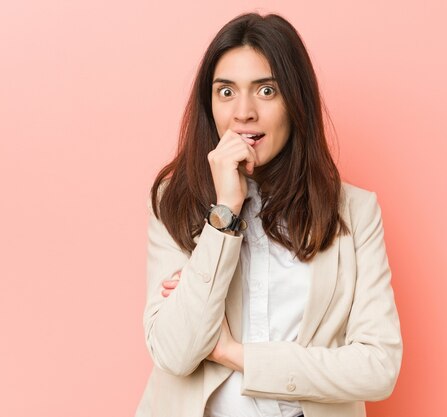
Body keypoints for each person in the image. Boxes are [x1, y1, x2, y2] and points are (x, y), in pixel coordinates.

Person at [135, 12, 402, 417]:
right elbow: (174, 353)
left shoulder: (355, 212)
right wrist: (224, 213)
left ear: (296, 102)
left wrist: (235, 355)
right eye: (226, 92)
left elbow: (378, 367)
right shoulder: (174, 200)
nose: (243, 112)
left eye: (266, 90)